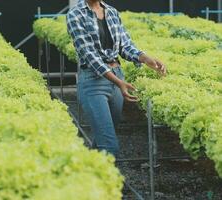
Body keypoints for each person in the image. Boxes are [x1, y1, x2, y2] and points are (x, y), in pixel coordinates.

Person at [66, 0, 166, 157]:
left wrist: (146, 59)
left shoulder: (112, 12)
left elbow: (125, 45)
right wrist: (118, 82)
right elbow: (89, 55)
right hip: (94, 83)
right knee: (109, 146)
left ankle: (87, 176)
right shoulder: (75, 15)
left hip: (117, 78)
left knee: (102, 142)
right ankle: (109, 180)